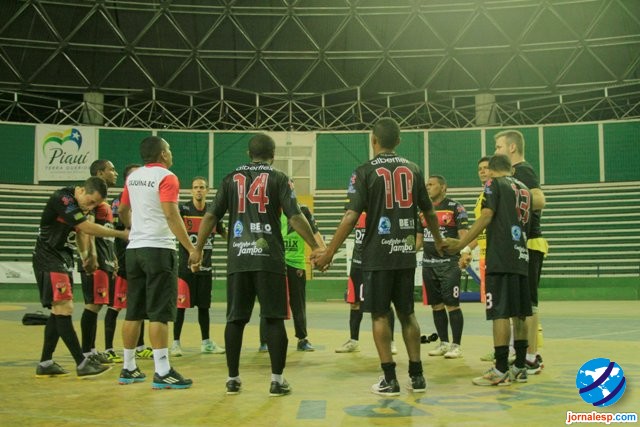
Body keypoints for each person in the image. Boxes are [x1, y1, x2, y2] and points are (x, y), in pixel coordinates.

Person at [312, 117, 444, 396]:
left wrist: (329, 252)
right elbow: (429, 212)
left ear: (373, 140)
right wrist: (440, 240)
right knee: (407, 314)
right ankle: (417, 377)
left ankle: (390, 379)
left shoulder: (363, 172)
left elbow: (351, 215)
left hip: (377, 255)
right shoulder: (414, 169)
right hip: (405, 253)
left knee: (380, 315)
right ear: (398, 141)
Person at [189, 133, 321, 397]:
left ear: (249, 154)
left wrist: (197, 249)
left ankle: (233, 379)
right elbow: (295, 217)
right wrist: (317, 247)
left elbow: (211, 216)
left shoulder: (230, 179)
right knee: (273, 319)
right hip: (269, 258)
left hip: (238, 257)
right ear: (273, 155)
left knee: (235, 319)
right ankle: (276, 381)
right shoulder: (280, 178)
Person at [444, 154, 532, 386]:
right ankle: (520, 366)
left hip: (500, 256)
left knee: (499, 312)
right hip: (522, 255)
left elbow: (486, 215)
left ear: (492, 170)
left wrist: (461, 244)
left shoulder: (494, 184)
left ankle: (500, 368)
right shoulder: (524, 189)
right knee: (520, 313)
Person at [117, 136, 196, 389]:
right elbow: (171, 214)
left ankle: (129, 367)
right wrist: (191, 248)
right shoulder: (167, 177)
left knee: (134, 311)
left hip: (134, 250)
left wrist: (134, 228)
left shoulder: (133, 177)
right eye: (169, 149)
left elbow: (122, 210)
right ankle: (162, 370)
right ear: (162, 154)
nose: (171, 153)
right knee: (159, 313)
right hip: (158, 249)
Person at [33, 176, 128, 379]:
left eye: (95, 204)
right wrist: (120, 234)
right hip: (48, 258)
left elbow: (80, 233)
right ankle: (82, 363)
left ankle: (45, 362)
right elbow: (85, 227)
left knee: (58, 311)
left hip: (62, 258)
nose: (90, 207)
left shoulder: (81, 205)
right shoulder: (63, 198)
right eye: (90, 201)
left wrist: (87, 256)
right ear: (82, 190)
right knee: (64, 308)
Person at [494, 130, 548, 374]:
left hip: (529, 242)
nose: (496, 151)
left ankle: (530, 357)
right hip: (521, 243)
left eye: (498, 147)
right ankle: (522, 352)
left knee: (528, 303)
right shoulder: (516, 173)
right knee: (520, 304)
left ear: (512, 148)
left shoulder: (521, 170)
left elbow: (540, 199)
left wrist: (510, 198)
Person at [258, 204, 325, 352]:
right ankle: (265, 341)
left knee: (298, 304)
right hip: (274, 262)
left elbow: (315, 233)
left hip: (296, 264)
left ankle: (302, 339)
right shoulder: (269, 209)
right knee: (269, 303)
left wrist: (324, 253)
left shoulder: (303, 211)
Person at [171, 176, 226, 357]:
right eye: (195, 187)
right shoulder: (183, 210)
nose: (199, 190)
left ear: (207, 190)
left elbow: (223, 232)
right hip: (185, 270)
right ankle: (175, 343)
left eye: (202, 187)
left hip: (206, 269)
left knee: (204, 307)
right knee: (180, 307)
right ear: (191, 191)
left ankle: (206, 343)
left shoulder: (213, 212)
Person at [416, 175, 469, 359]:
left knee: (452, 305)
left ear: (443, 187)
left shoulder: (455, 207)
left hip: (449, 264)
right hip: (429, 264)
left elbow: (463, 235)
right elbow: (419, 240)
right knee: (436, 306)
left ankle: (456, 345)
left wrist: (465, 253)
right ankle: (444, 343)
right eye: (426, 185)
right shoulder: (422, 210)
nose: (427, 187)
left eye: (431, 184)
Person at [107, 164, 153, 363]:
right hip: (125, 263)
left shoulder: (141, 199)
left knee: (138, 304)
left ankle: (140, 347)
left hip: (139, 260)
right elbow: (122, 232)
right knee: (115, 306)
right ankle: (108, 349)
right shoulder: (119, 201)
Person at [335, 212, 398, 355]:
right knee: (354, 303)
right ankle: (353, 341)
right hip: (357, 265)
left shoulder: (381, 212)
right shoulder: (356, 213)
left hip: (376, 265)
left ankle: (391, 341)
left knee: (384, 305)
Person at [78, 160, 119, 365]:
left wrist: (113, 257)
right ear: (100, 173)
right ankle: (87, 352)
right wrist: (89, 256)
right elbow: (88, 229)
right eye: (112, 169)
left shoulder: (104, 202)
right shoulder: (93, 201)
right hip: (97, 262)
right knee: (92, 305)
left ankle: (92, 350)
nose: (115, 173)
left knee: (98, 305)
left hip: (106, 259)